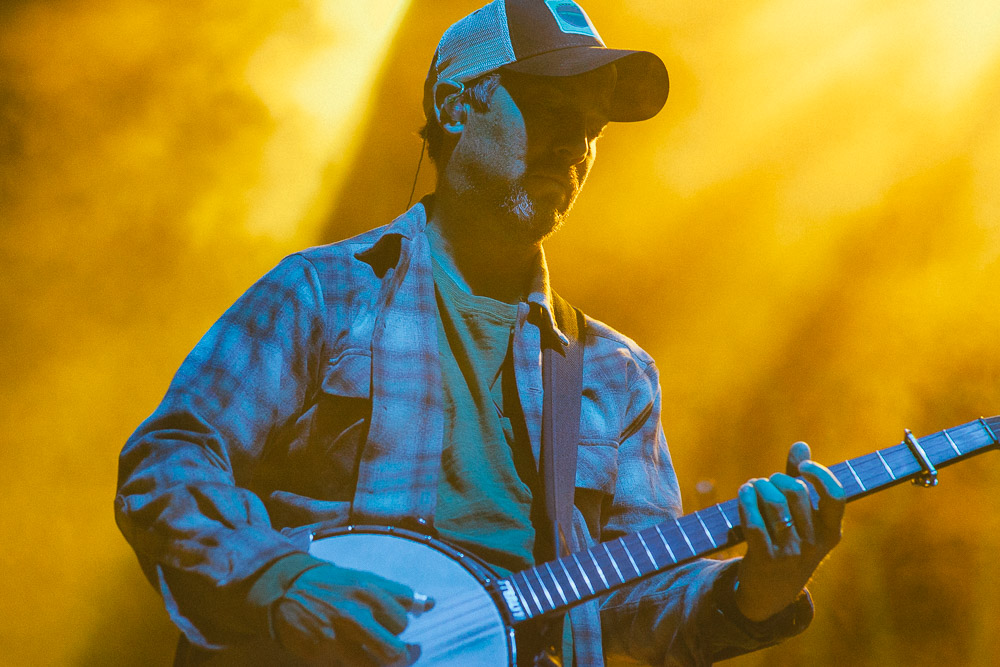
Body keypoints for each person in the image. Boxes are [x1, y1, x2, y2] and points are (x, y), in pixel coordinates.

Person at [115, 1, 846, 665]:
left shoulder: (616, 373)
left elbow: (638, 605)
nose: (577, 146)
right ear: (457, 105)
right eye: (552, 109)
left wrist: (760, 587)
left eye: (590, 128)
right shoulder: (324, 292)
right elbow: (168, 463)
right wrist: (279, 581)